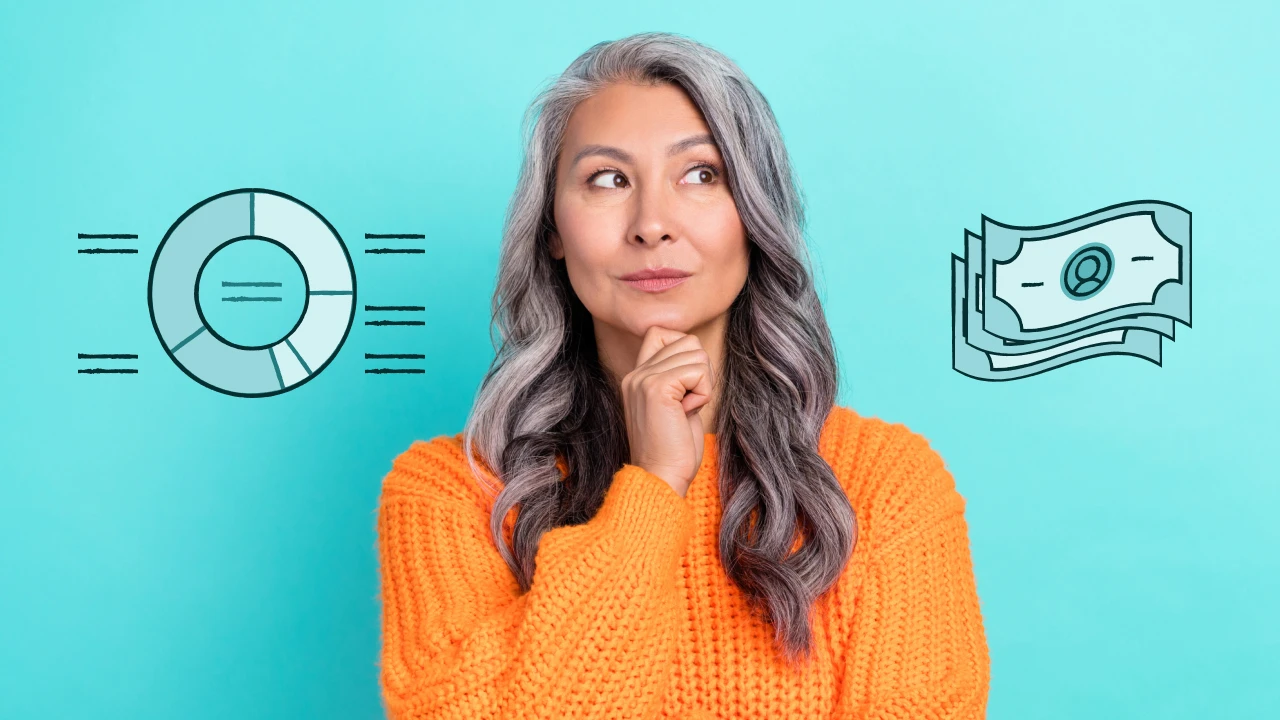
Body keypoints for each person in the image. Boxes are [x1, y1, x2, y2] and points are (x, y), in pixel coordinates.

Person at [375, 31, 990, 719]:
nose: (652, 224)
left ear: (754, 217)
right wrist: (654, 486)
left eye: (701, 174)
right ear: (552, 228)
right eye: (607, 179)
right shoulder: (454, 495)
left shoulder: (883, 486)